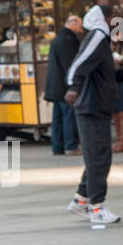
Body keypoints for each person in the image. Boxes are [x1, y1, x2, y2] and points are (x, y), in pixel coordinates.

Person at [65, 5, 119, 226]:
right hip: (91, 108)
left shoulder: (102, 39)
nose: (116, 21)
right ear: (103, 19)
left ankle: (81, 199)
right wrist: (72, 86)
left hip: (95, 107)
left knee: (96, 156)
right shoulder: (97, 36)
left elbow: (98, 73)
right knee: (98, 157)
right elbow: (78, 64)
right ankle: (96, 207)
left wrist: (121, 74)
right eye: (112, 17)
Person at [44, 14, 83, 156]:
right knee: (68, 116)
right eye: (79, 26)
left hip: (55, 86)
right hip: (65, 86)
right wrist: (74, 85)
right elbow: (70, 66)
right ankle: (71, 146)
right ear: (72, 24)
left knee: (57, 118)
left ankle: (57, 146)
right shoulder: (69, 40)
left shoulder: (56, 39)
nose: (81, 30)